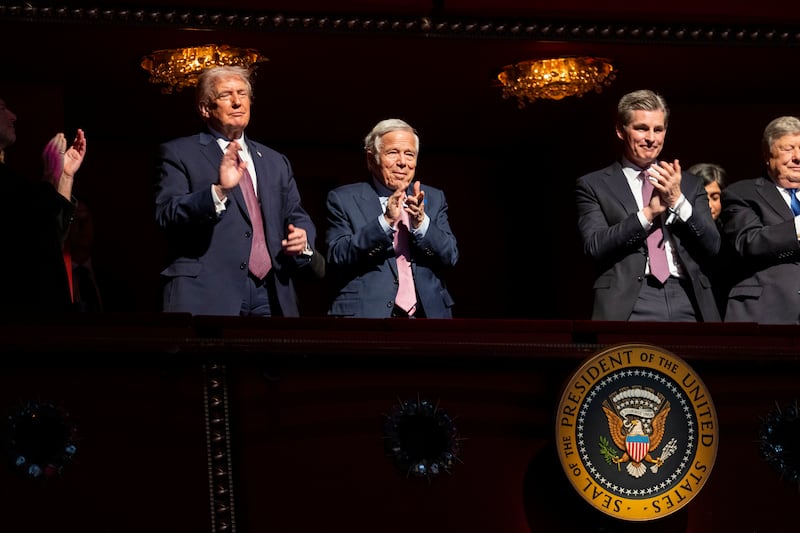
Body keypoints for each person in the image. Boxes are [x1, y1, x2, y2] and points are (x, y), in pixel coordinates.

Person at [155, 65, 321, 317]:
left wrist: (303, 238)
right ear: (204, 108)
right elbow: (167, 213)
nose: (237, 102)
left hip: (271, 291)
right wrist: (219, 191)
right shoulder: (179, 153)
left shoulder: (275, 161)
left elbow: (296, 215)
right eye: (226, 95)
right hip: (209, 291)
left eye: (242, 94)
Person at [575, 89, 720, 322]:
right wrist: (648, 213)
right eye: (641, 128)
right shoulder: (594, 185)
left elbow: (712, 245)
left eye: (658, 129)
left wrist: (678, 201)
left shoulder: (690, 184)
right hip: (629, 299)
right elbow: (595, 245)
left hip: (687, 295)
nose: (651, 138)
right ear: (620, 131)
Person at [325, 118, 458, 318]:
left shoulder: (434, 198)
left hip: (428, 317)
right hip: (367, 316)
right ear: (371, 159)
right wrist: (384, 222)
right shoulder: (343, 199)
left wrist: (422, 224)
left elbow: (450, 255)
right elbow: (337, 255)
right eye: (393, 153)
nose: (402, 162)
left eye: (409, 154)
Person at [0, 96, 87, 314]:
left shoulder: (12, 180)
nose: (13, 116)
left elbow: (52, 237)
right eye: (2, 108)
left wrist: (65, 176)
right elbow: (32, 230)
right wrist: (50, 175)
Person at [720, 115, 800, 324]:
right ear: (767, 155)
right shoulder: (742, 193)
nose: (797, 156)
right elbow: (749, 242)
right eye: (788, 149)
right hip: (767, 315)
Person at [688, 162, 732, 317]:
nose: (709, 205)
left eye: (715, 197)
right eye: (702, 198)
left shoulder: (732, 233)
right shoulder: (680, 234)